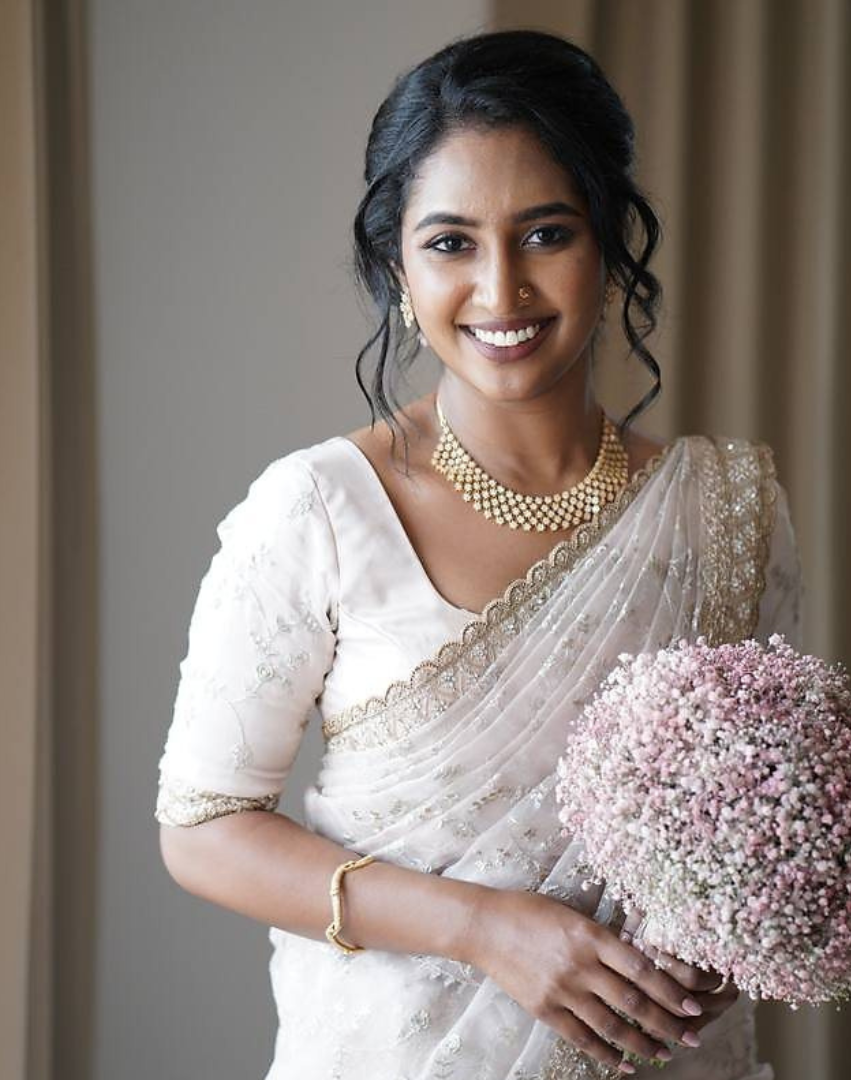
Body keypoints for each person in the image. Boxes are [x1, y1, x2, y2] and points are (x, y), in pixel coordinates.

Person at [155, 28, 803, 1080]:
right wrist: (483, 929)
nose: (502, 289)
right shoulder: (319, 510)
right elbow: (204, 828)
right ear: (398, 270)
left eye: (546, 233)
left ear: (610, 246)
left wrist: (742, 923)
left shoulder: (724, 511)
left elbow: (769, 810)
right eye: (451, 243)